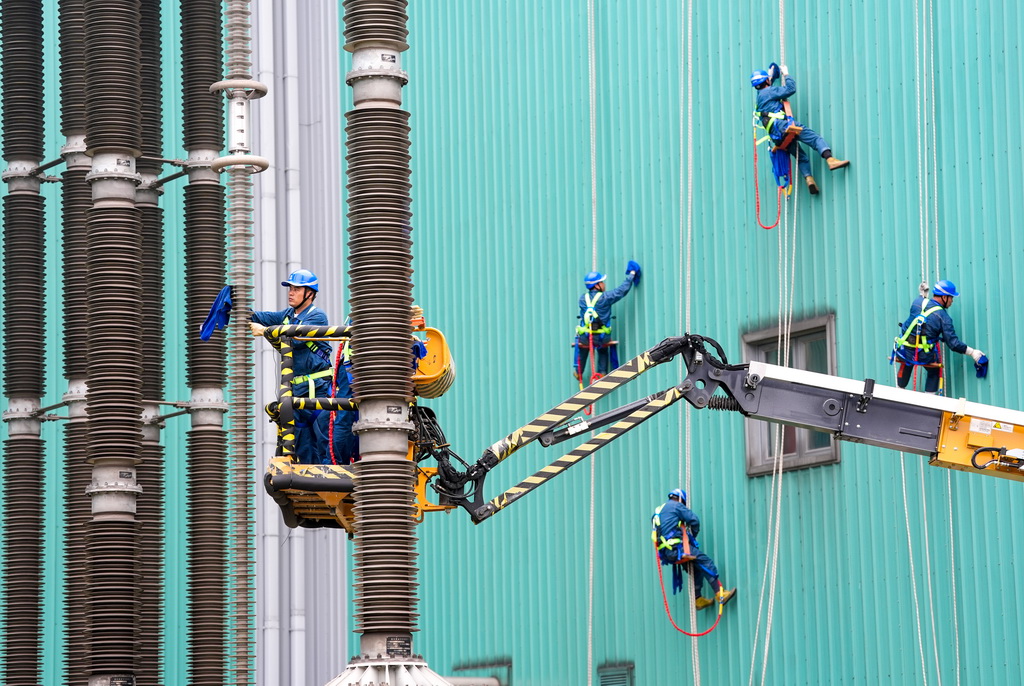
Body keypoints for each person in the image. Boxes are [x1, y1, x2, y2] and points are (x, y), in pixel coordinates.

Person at [250, 268, 334, 463]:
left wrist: (265, 332)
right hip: (296, 389)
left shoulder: (317, 316)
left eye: (296, 289)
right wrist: (236, 306)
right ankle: (307, 487)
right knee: (301, 443)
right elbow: (261, 317)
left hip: (318, 388)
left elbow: (295, 339)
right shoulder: (287, 315)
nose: (291, 292)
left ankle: (329, 483)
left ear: (310, 293)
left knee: (323, 442)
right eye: (290, 288)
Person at [751, 63, 849, 195]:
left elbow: (767, 86)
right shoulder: (769, 91)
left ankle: (809, 179)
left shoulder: (760, 97)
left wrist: (771, 75)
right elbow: (790, 89)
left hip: (776, 136)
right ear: (766, 81)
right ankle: (830, 160)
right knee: (814, 138)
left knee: (801, 157)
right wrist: (786, 73)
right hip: (783, 126)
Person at [893, 279, 987, 394]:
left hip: (904, 348)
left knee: (906, 361)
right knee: (934, 371)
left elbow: (922, 302)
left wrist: (922, 294)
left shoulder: (917, 302)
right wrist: (973, 353)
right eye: (951, 297)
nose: (952, 301)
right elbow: (953, 344)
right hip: (923, 354)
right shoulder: (943, 318)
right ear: (944, 297)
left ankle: (899, 390)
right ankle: (930, 399)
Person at [652, 488, 736, 610]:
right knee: (706, 562)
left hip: (667, 553)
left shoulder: (658, 511)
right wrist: (692, 537)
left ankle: (698, 599)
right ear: (680, 499)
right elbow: (694, 520)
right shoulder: (676, 506)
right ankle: (720, 594)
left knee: (697, 569)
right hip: (678, 548)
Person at [574, 261, 640, 381]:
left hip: (585, 336)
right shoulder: (605, 298)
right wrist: (632, 274)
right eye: (602, 282)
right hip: (601, 337)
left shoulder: (582, 299)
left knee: (584, 347)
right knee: (602, 348)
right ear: (597, 285)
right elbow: (621, 290)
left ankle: (578, 371)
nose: (604, 284)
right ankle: (602, 373)